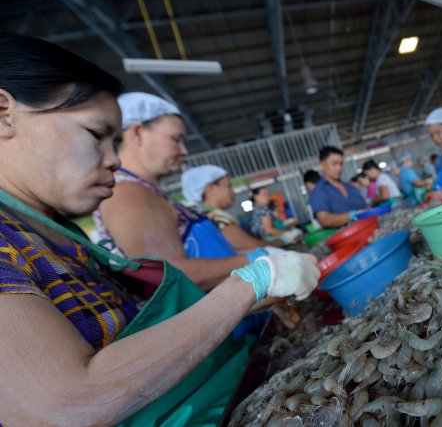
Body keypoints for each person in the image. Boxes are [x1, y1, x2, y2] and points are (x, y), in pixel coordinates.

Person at [0, 32, 319, 426]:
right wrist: (249, 280)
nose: (114, 160)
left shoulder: (62, 235)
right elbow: (66, 403)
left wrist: (246, 301)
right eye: (96, 135)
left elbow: (129, 337)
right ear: (3, 112)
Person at [94, 92, 280, 290]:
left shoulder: (147, 191)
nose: (184, 151)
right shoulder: (127, 193)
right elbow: (167, 277)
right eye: (176, 139)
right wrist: (257, 259)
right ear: (138, 133)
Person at [181, 164, 280, 250]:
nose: (232, 192)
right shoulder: (217, 218)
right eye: (228, 186)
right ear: (212, 188)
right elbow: (252, 247)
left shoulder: (204, 215)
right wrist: (282, 241)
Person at [309, 146, 368, 228]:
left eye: (341, 164)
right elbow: (324, 220)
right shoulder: (319, 192)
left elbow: (365, 207)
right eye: (334, 164)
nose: (339, 168)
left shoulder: (350, 187)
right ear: (322, 164)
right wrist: (351, 215)